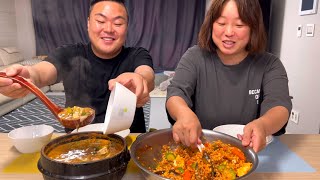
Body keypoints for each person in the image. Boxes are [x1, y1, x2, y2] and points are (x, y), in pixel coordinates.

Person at [0, 0, 155, 133]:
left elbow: (146, 75)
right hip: (78, 142)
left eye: (118, 23)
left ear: (126, 27)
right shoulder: (69, 53)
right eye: (100, 21)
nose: (108, 29)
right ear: (88, 23)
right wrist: (30, 77)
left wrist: (140, 80)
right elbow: (41, 72)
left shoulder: (136, 55)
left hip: (128, 141)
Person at [166, 0, 292, 152]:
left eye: (239, 25)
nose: (229, 32)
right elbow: (176, 93)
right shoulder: (194, 56)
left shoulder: (270, 64)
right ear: (211, 24)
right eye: (221, 23)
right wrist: (183, 114)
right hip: (199, 150)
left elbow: (279, 106)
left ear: (254, 27)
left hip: (253, 153)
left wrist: (263, 125)